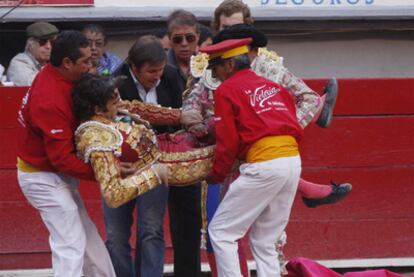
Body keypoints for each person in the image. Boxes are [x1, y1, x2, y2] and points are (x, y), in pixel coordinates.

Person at [16, 30, 116, 277]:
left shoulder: (57, 75)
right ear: (67, 63)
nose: (90, 67)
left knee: (88, 241)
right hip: (43, 177)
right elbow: (60, 158)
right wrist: (106, 173)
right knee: (70, 242)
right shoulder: (49, 99)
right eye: (85, 62)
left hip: (52, 174)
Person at [202, 37, 303, 277]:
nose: (216, 76)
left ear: (229, 65)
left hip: (264, 164)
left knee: (221, 232)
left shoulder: (227, 90)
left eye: (216, 68)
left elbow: (228, 141)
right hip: (292, 161)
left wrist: (215, 174)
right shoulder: (272, 86)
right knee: (265, 240)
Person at [108, 35, 201, 277]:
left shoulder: (170, 76)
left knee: (151, 229)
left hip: (157, 161)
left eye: (160, 70)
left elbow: (182, 113)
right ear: (133, 67)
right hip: (121, 164)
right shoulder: (114, 83)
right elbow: (133, 113)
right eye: (151, 71)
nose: (157, 76)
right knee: (116, 235)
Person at [166, 9, 203, 277]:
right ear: (168, 39)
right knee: (152, 225)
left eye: (189, 38)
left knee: (191, 223)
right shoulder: (158, 65)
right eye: (177, 39)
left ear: (198, 37)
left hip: (200, 154)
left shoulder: (209, 66)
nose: (184, 45)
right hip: (164, 154)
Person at [7, 21, 58, 86]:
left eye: (52, 42)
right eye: (43, 42)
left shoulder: (51, 63)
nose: (48, 47)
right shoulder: (19, 62)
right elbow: (34, 85)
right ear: (31, 44)